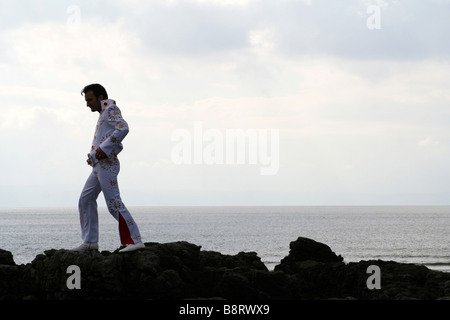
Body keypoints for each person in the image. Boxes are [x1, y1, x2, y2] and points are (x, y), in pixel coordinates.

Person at [71, 84, 144, 253]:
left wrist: (103, 150)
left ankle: (135, 240)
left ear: (100, 97)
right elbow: (112, 139)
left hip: (107, 166)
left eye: (89, 100)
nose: (87, 104)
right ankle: (90, 242)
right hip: (99, 165)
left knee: (113, 203)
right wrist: (95, 155)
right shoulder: (104, 113)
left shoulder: (110, 109)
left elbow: (123, 128)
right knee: (85, 200)